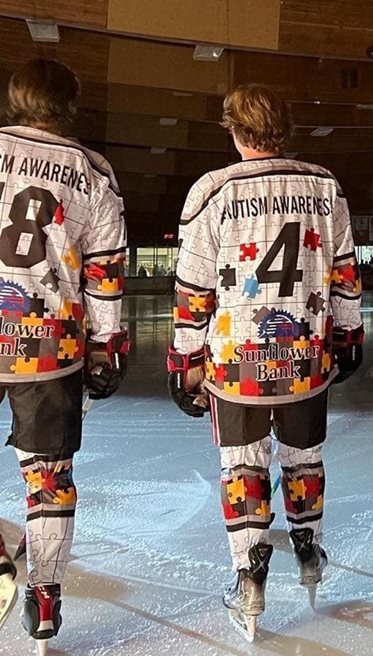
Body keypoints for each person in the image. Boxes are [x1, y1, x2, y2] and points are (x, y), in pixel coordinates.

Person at [168, 84, 363, 641]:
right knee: (304, 461)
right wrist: (349, 334)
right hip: (304, 356)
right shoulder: (324, 187)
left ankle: (250, 579)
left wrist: (184, 359)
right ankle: (308, 552)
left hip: (236, 364)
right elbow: (345, 272)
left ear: (235, 129)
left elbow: (193, 289)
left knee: (243, 469)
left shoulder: (212, 190)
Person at [0, 59, 128, 651]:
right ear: (68, 104)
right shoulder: (91, 170)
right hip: (50, 340)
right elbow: (104, 274)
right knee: (49, 475)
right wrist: (105, 348)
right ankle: (44, 599)